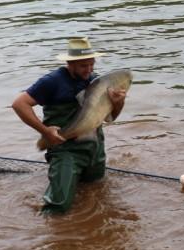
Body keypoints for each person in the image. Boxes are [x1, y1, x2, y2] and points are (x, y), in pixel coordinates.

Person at [12, 37, 126, 213]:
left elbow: (109, 118)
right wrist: (45, 132)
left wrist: (118, 102)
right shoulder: (52, 81)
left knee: (96, 190)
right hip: (65, 149)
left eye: (92, 64)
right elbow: (19, 104)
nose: (89, 69)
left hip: (94, 147)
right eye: (83, 66)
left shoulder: (96, 82)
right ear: (70, 63)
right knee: (58, 206)